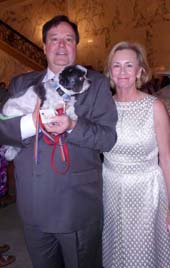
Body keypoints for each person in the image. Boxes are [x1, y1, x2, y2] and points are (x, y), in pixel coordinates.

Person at [0, 15, 117, 268]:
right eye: (54, 40)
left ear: (76, 45)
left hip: (75, 206)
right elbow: (2, 129)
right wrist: (30, 124)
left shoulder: (94, 84)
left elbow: (108, 138)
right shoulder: (21, 83)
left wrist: (73, 126)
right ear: (44, 47)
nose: (61, 46)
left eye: (68, 39)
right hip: (32, 206)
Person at [102, 41, 170, 268]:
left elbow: (167, 158)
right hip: (110, 190)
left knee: (143, 255)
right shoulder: (103, 107)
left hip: (145, 194)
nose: (122, 72)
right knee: (115, 253)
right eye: (116, 65)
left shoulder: (155, 107)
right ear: (109, 70)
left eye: (129, 65)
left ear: (140, 70)